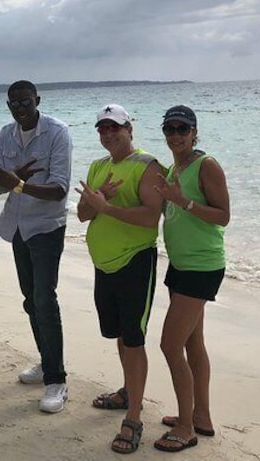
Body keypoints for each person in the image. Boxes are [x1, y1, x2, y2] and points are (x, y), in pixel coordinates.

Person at [75, 104, 164, 454]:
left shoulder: (148, 165)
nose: (108, 134)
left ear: (130, 129)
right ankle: (128, 389)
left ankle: (134, 417)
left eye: (114, 127)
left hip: (135, 263)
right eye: (102, 129)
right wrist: (99, 201)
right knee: (119, 336)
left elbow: (150, 218)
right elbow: (83, 214)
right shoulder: (98, 167)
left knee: (135, 337)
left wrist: (108, 207)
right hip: (104, 265)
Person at [0, 80, 72, 414]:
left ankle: (56, 379)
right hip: (18, 227)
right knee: (30, 300)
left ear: (37, 100)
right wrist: (7, 182)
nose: (20, 109)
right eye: (14, 104)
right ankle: (46, 360)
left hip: (47, 228)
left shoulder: (57, 132)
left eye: (25, 102)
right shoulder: (6, 134)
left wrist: (18, 184)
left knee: (44, 299)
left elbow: (59, 189)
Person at [152, 105, 230, 453]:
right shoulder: (174, 167)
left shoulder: (206, 165)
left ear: (195, 132)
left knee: (170, 345)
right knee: (193, 342)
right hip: (181, 265)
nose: (176, 135)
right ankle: (201, 416)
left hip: (202, 266)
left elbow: (223, 216)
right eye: (170, 128)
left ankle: (186, 428)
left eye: (183, 129)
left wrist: (184, 202)